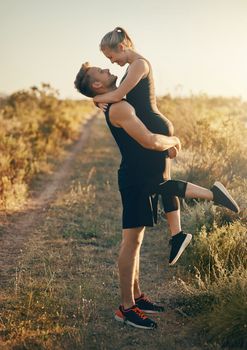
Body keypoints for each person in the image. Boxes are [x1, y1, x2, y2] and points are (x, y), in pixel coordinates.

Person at [74, 62, 239, 330]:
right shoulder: (121, 108)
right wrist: (172, 142)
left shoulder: (117, 102)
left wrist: (98, 99)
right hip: (135, 181)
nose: (107, 70)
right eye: (101, 72)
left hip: (142, 178)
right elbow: (149, 140)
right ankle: (126, 309)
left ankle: (137, 297)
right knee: (130, 243)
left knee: (136, 241)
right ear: (96, 84)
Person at [93, 26, 190, 267]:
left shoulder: (139, 65)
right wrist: (102, 99)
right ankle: (176, 235)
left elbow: (119, 95)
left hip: (157, 127)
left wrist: (97, 98)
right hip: (154, 126)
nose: (112, 62)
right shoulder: (131, 66)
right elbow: (119, 97)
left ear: (122, 47)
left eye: (111, 56)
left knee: (164, 182)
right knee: (162, 180)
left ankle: (178, 235)